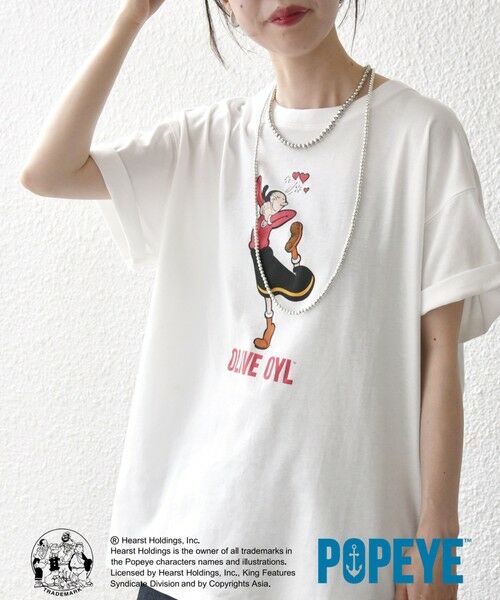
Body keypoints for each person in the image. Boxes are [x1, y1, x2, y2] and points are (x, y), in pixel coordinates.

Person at [19, 1, 500, 599]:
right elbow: (49, 172)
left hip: (340, 558)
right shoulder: (209, 140)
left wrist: (439, 533)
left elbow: (440, 353)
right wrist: (132, 19)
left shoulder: (422, 135)